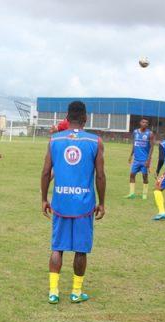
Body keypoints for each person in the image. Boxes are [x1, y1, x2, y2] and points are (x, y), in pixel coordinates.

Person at [41, 101, 106, 304]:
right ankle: (76, 293)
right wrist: (102, 202)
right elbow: (101, 176)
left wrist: (44, 198)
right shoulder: (95, 141)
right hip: (83, 204)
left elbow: (45, 172)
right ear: (85, 118)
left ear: (66, 118)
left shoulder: (54, 140)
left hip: (60, 202)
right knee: (80, 249)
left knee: (57, 247)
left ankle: (54, 292)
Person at [125, 118, 154, 199]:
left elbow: (152, 147)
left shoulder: (150, 133)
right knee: (132, 175)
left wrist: (148, 160)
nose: (145, 123)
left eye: (146, 123)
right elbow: (134, 144)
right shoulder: (135, 132)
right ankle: (131, 194)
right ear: (140, 123)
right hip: (136, 160)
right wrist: (131, 155)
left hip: (144, 160)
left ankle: (144, 195)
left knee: (145, 177)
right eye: (143, 122)